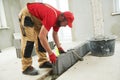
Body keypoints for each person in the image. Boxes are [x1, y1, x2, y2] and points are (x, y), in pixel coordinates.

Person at [18, 2, 74, 75]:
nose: (65, 26)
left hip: (37, 19)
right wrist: (51, 54)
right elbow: (42, 36)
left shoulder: (58, 21)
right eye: (66, 24)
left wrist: (59, 48)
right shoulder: (52, 16)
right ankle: (26, 67)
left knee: (43, 37)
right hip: (28, 14)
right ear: (62, 17)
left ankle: (43, 62)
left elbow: (55, 34)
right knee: (29, 40)